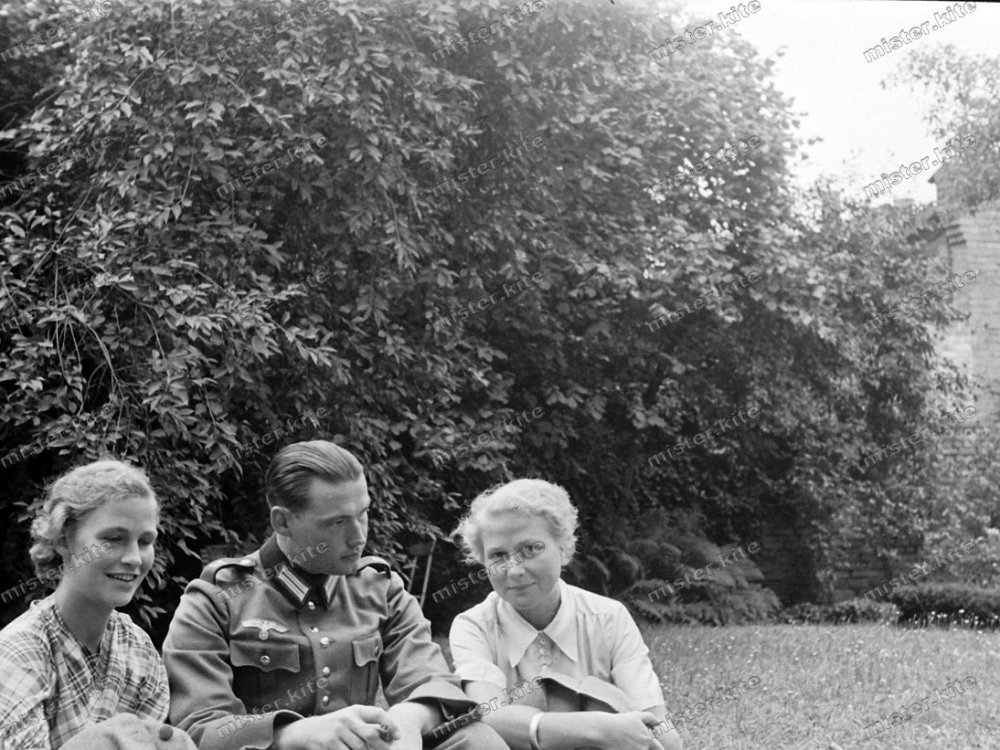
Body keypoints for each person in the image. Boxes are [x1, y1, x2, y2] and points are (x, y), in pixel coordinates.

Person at [162, 440, 507, 750]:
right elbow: (199, 727)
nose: (358, 537)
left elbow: (431, 681)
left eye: (363, 514)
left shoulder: (381, 589)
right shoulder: (217, 599)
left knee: (475, 739)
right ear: (282, 523)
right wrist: (292, 734)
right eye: (337, 522)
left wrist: (410, 718)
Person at [449, 479, 683, 750]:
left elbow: (662, 734)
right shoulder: (474, 626)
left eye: (530, 550)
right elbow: (487, 716)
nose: (514, 570)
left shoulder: (609, 618)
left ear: (563, 548)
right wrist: (597, 729)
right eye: (498, 555)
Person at [0, 459, 176, 749]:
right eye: (113, 539)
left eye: (145, 541)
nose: (133, 558)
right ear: (63, 539)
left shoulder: (139, 651)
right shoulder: (20, 654)